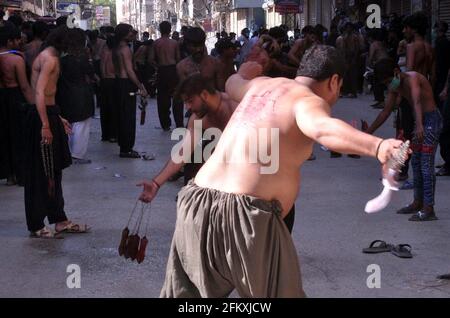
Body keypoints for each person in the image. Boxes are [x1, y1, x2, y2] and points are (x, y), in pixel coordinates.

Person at [158, 45, 403, 298]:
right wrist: (379, 146)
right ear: (335, 81)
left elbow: (233, 82)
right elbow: (323, 129)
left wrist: (244, 71)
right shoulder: (307, 101)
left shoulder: (260, 86)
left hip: (196, 203)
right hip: (245, 218)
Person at [26, 26, 88, 238]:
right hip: (42, 117)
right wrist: (45, 124)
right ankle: (36, 223)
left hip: (49, 114)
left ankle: (59, 219)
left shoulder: (50, 56)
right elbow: (40, 93)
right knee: (43, 173)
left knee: (54, 171)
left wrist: (55, 117)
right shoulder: (50, 59)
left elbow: (46, 95)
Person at [365, 58, 442, 221]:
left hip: (430, 120)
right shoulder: (395, 85)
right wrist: (369, 132)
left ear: (395, 72)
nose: (388, 85)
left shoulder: (412, 78)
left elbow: (416, 102)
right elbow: (385, 112)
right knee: (416, 163)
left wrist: (420, 125)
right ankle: (418, 202)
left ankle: (429, 208)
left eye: (388, 81)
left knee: (426, 165)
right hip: (420, 122)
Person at [0, 23, 34, 185]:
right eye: (16, 40)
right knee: (19, 136)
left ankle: (8, 175)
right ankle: (21, 175)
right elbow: (25, 86)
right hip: (15, 99)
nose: (19, 43)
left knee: (3, 137)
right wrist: (34, 105)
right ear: (9, 41)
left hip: (1, 99)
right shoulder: (15, 59)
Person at [56, 28, 95, 164]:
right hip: (81, 94)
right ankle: (77, 154)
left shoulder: (61, 59)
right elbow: (91, 73)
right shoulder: (82, 59)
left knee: (68, 123)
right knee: (81, 124)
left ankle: (67, 152)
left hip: (64, 93)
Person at [112, 23, 148, 158]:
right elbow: (129, 71)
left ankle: (124, 146)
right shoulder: (125, 49)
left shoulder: (116, 48)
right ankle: (127, 148)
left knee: (122, 116)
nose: (133, 34)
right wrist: (140, 86)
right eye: (130, 32)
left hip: (119, 84)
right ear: (124, 34)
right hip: (126, 84)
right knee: (128, 117)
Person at [153, 21, 181, 130]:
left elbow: (151, 59)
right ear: (170, 30)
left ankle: (165, 124)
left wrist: (158, 66)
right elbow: (178, 59)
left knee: (162, 99)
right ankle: (179, 123)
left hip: (162, 70)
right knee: (177, 97)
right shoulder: (174, 43)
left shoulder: (156, 43)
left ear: (160, 30)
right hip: (173, 69)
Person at [99, 36, 118, 142]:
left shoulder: (104, 52)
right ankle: (113, 134)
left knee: (104, 109)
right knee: (113, 109)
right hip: (113, 81)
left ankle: (105, 134)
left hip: (105, 81)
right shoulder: (115, 53)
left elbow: (102, 68)